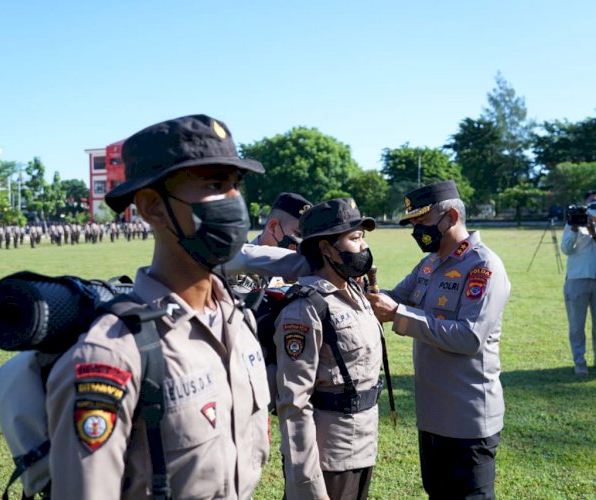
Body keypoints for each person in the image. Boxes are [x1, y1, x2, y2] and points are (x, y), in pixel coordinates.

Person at [45, 114, 270, 499]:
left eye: (236, 185)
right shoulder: (115, 353)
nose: (235, 203)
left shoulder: (238, 320)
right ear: (152, 207)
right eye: (215, 184)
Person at [366, 180, 510, 499]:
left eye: (422, 221)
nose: (417, 230)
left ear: (452, 216)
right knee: (437, 493)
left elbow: (469, 337)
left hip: (468, 418)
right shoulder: (430, 264)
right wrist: (361, 292)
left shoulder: (483, 266)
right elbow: (394, 297)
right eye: (413, 224)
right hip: (432, 414)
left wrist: (399, 315)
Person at [276, 198, 383, 500]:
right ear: (325, 248)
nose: (363, 247)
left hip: (363, 444)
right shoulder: (305, 309)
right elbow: (294, 403)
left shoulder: (354, 292)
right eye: (354, 238)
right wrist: (306, 480)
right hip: (328, 456)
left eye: (362, 237)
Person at [561, 190, 596, 375]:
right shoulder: (573, 222)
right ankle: (579, 363)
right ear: (585, 204)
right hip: (577, 280)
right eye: (592, 202)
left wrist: (595, 233)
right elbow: (566, 249)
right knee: (577, 326)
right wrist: (575, 230)